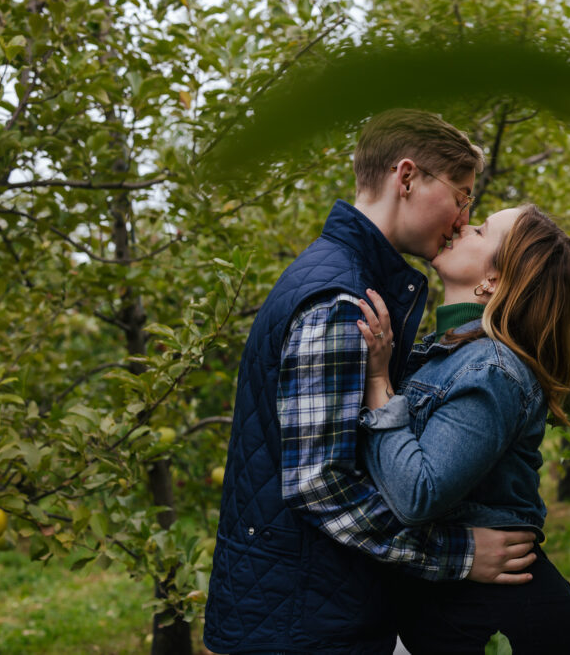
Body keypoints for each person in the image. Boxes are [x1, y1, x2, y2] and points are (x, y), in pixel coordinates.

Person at [204, 110, 538, 655]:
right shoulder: (341, 302)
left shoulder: (357, 284)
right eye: (461, 195)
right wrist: (458, 555)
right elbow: (321, 483)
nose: (462, 218)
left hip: (305, 608)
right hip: (303, 626)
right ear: (406, 179)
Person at [355, 204, 570, 654]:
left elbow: (416, 493)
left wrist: (377, 385)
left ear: (493, 282)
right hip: (454, 611)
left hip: (500, 621)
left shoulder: (492, 369)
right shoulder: (444, 353)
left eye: (480, 230)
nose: (463, 225)